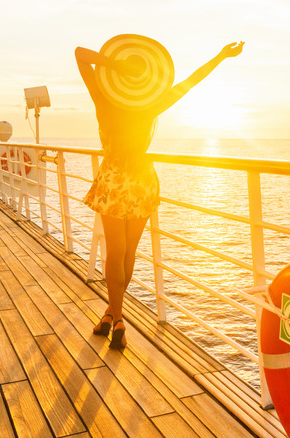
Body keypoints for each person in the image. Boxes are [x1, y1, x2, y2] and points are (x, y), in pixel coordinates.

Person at [76, 38, 244, 349]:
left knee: (115, 252)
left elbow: (80, 54)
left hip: (114, 177)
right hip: (142, 178)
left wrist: (116, 64)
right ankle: (113, 316)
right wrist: (221, 55)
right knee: (128, 254)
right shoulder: (152, 105)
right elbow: (191, 82)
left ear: (118, 80)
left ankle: (118, 316)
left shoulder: (104, 101)